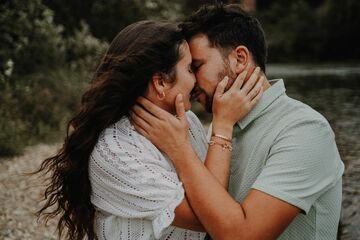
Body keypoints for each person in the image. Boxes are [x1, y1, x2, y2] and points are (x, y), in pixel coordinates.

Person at [132, 4, 345, 240]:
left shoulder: (305, 130)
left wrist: (180, 150)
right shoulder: (222, 125)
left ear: (240, 58)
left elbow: (242, 236)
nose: (190, 84)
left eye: (197, 67)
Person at [35, 20, 264, 240]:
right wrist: (222, 126)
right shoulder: (115, 151)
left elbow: (213, 195)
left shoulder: (189, 122)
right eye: (189, 69)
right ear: (161, 82)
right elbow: (212, 219)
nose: (196, 81)